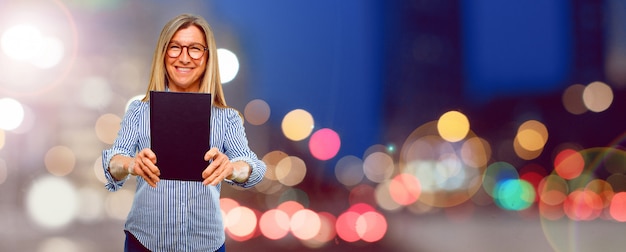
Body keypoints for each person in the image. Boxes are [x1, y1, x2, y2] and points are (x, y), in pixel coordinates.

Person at [102, 13, 266, 252]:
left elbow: (254, 167)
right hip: (145, 241)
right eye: (175, 47)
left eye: (195, 49)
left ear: (207, 56)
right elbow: (113, 161)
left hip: (205, 244)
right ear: (163, 54)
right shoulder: (139, 110)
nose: (184, 57)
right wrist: (130, 165)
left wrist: (232, 168)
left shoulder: (226, 117)